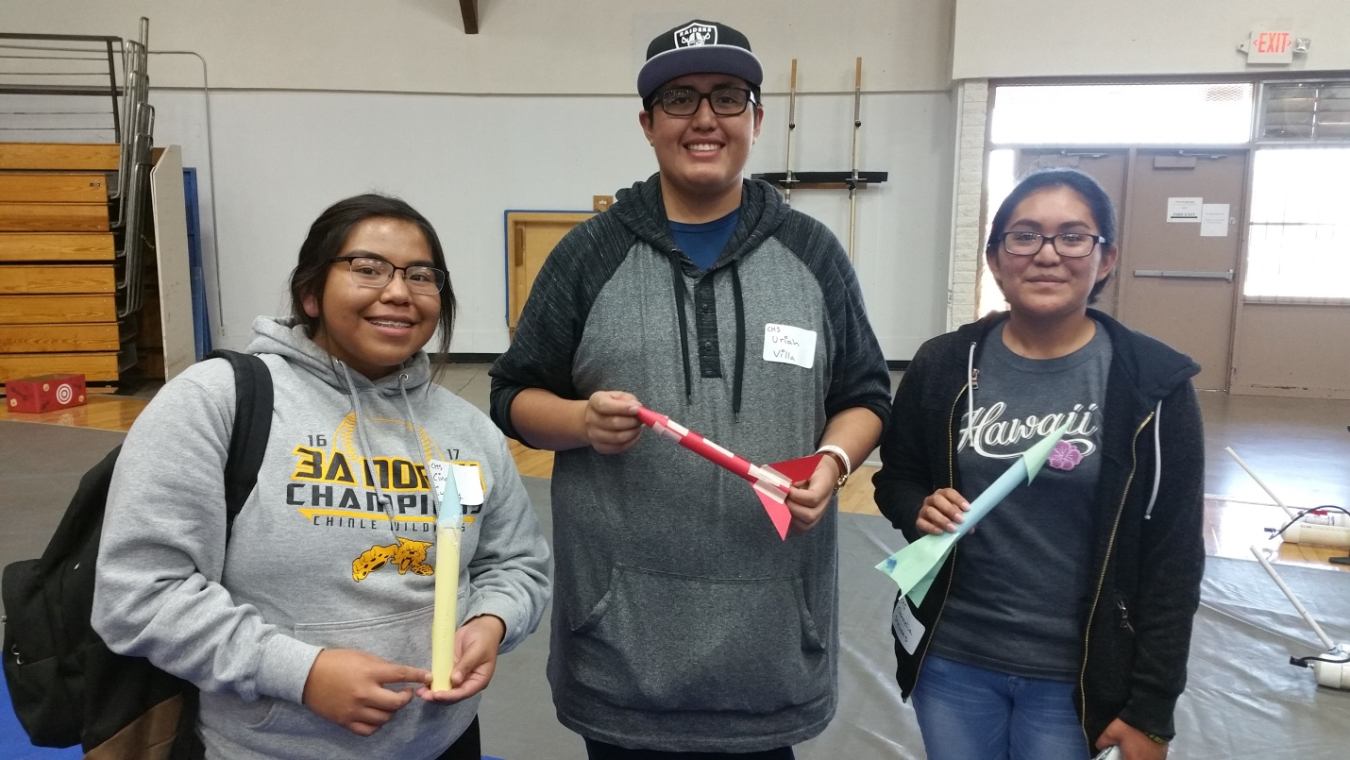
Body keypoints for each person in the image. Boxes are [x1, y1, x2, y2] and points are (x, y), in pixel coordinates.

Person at [488, 18, 890, 760]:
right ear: (647, 123)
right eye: (679, 99)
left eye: (727, 97)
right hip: (623, 651)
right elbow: (512, 397)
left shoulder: (813, 253)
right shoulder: (587, 253)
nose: (705, 118)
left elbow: (866, 394)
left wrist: (830, 466)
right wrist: (578, 421)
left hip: (770, 648)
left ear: (756, 119)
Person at [92, 194, 552, 759]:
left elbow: (516, 563)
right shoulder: (217, 401)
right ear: (310, 293)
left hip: (442, 743)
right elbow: (139, 594)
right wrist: (300, 673)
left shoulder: (468, 431)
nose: (399, 291)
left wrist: (492, 619)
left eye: (422, 275)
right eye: (367, 268)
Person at [873, 168, 1204, 760]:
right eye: (1024, 237)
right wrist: (916, 506)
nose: (1047, 255)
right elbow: (895, 477)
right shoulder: (945, 363)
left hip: (1075, 677)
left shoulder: (1153, 384)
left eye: (1073, 237)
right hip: (952, 660)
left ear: (1105, 259)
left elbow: (1174, 558)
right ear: (996, 260)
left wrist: (1151, 711)